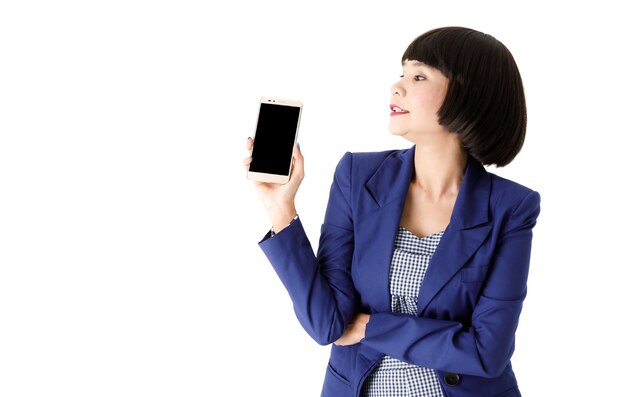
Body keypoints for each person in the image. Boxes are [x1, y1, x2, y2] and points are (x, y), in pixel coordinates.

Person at [244, 26, 541, 397]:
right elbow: (327, 324)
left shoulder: (511, 208)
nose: (396, 87)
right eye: (401, 73)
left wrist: (370, 328)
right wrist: (281, 208)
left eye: (418, 76)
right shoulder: (358, 177)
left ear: (468, 96)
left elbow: (486, 352)